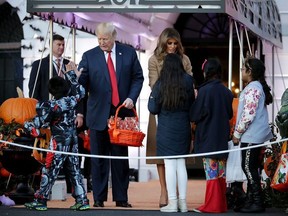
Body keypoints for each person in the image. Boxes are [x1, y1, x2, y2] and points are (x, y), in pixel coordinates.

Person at [78, 22, 144, 208]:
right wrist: (75, 77)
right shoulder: (89, 56)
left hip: (121, 113)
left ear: (113, 37)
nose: (101, 42)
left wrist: (132, 97)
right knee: (98, 159)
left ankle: (121, 198)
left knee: (120, 159)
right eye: (99, 38)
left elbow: (138, 77)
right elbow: (82, 81)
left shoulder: (129, 53)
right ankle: (98, 198)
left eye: (105, 39)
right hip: (98, 114)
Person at [23, 62, 90, 211]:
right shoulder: (72, 101)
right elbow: (81, 92)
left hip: (58, 143)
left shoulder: (49, 105)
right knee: (75, 170)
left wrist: (29, 127)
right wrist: (72, 76)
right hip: (73, 142)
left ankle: (40, 200)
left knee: (50, 170)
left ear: (51, 90)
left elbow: (39, 123)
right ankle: (82, 200)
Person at [28, 33, 86, 193]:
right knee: (51, 158)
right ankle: (43, 194)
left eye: (62, 45)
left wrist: (79, 114)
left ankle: (74, 191)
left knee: (72, 157)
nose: (61, 47)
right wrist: (41, 114)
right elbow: (34, 91)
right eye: (58, 44)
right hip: (50, 116)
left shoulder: (70, 65)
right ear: (51, 45)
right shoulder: (39, 65)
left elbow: (78, 92)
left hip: (68, 117)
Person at [146, 27, 192, 208]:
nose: (172, 46)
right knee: (163, 158)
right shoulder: (154, 60)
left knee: (175, 160)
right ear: (163, 43)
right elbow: (153, 84)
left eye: (175, 43)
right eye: (169, 43)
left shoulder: (185, 59)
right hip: (163, 108)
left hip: (175, 110)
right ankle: (165, 191)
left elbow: (189, 84)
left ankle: (175, 199)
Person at [190, 58, 233, 213]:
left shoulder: (204, 91)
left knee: (211, 173)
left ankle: (211, 205)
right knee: (220, 173)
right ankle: (221, 204)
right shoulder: (227, 92)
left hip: (207, 137)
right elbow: (229, 114)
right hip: (221, 137)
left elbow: (195, 115)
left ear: (206, 72)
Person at [232, 57, 273, 213]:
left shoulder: (253, 88)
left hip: (252, 135)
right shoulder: (254, 87)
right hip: (253, 135)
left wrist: (237, 133)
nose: (241, 70)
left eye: (244, 68)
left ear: (250, 71)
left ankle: (257, 201)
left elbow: (248, 114)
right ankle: (251, 200)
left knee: (247, 167)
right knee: (251, 167)